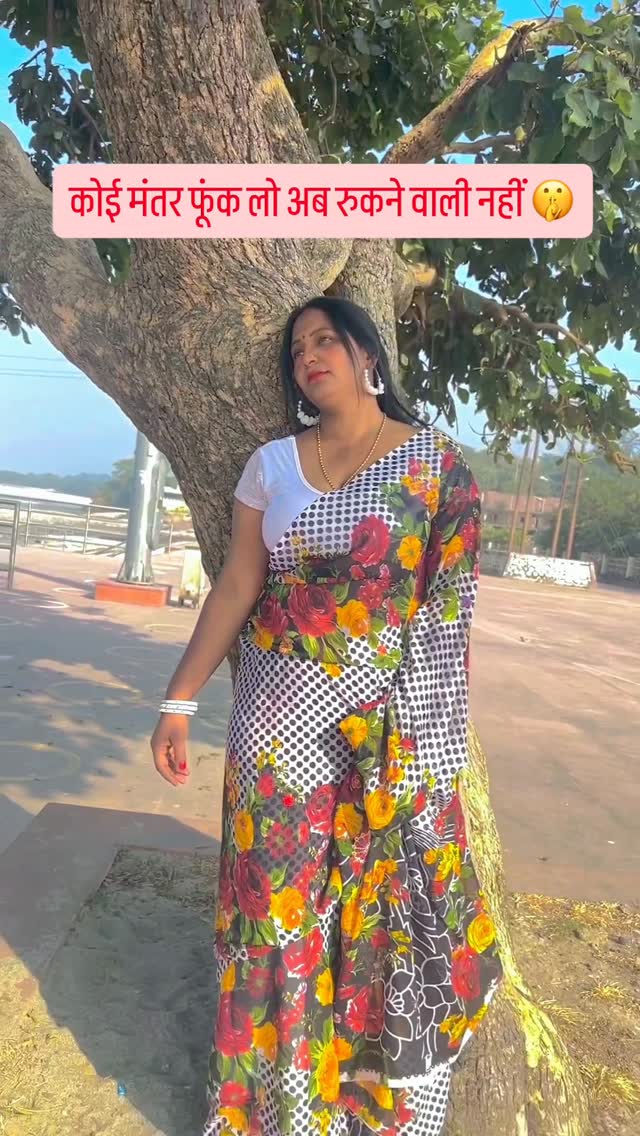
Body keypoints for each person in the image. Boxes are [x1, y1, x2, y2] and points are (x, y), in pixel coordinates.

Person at [150, 296, 503, 1136]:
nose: (309, 356)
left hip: (390, 734)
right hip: (276, 732)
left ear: (366, 354)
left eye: (325, 340)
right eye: (297, 349)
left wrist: (415, 747)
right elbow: (239, 585)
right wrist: (178, 698)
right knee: (274, 914)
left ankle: (370, 1113)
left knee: (376, 919)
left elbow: (449, 610)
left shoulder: (437, 469)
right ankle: (279, 1116)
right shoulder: (270, 465)